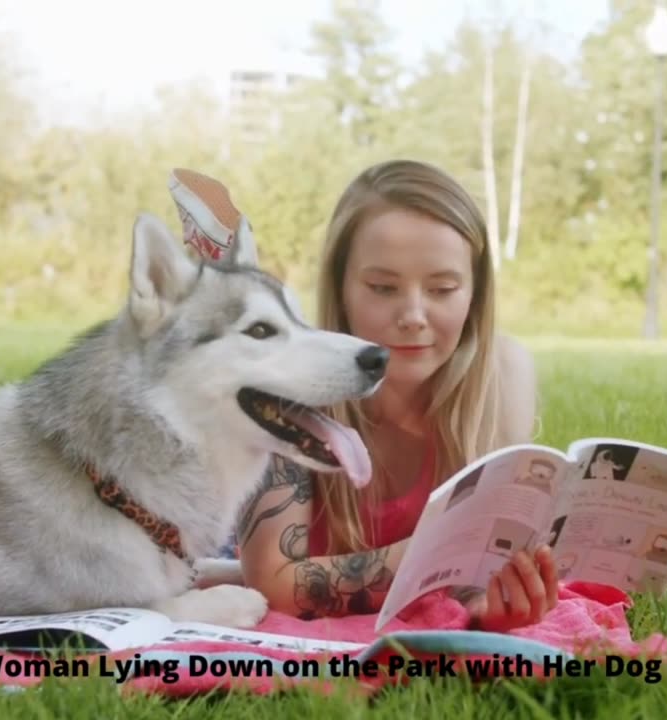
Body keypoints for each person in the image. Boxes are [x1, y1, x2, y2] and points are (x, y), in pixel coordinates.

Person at [168, 161, 557, 632]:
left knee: (216, 573)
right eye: (382, 288)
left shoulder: (500, 376)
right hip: (248, 540)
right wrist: (436, 557)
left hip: (295, 559)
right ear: (342, 289)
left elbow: (480, 576)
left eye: (443, 288)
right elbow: (273, 584)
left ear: (475, 294)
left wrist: (494, 601)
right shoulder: (287, 384)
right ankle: (229, 271)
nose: (413, 315)